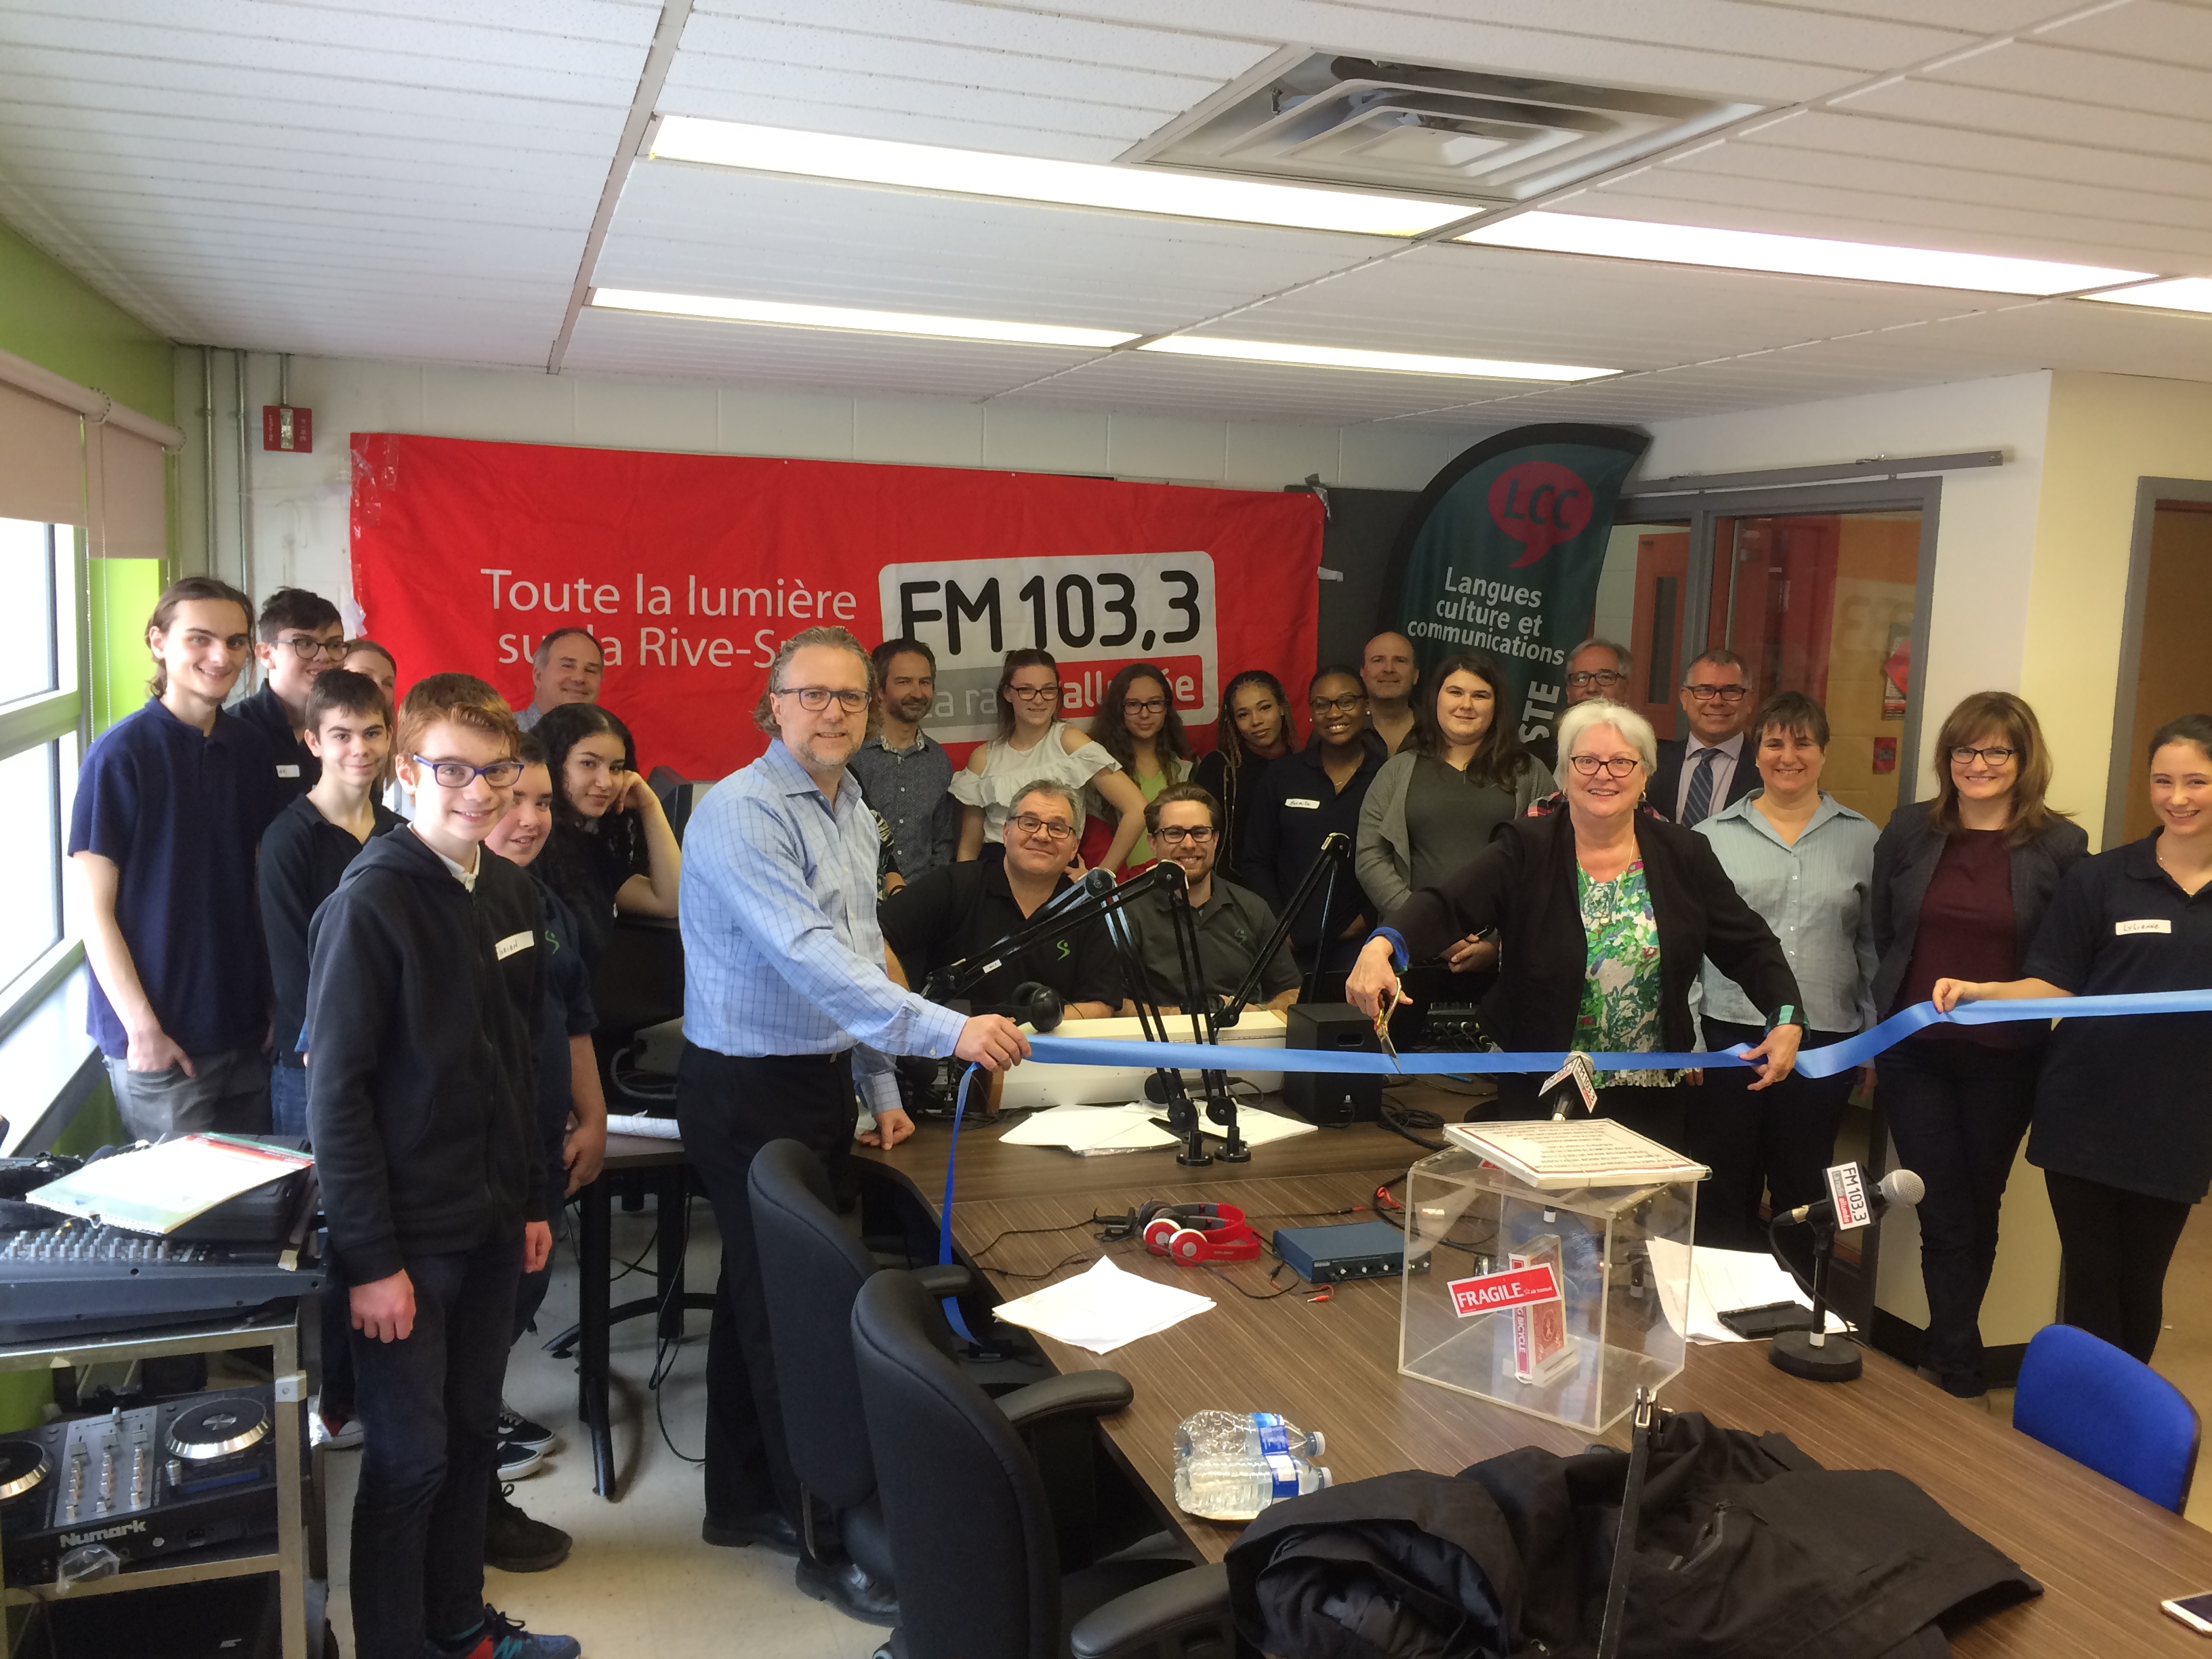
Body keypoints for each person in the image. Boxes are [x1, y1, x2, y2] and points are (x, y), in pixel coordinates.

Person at [676, 626, 1029, 1622]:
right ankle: (823, 1537)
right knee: (799, 1317)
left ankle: (743, 1502)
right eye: (811, 695)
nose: (832, 712)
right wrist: (949, 1034)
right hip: (747, 1092)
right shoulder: (741, 815)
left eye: (849, 698)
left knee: (765, 1297)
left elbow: (864, 954)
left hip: (816, 1080)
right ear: (772, 703)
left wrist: (877, 1087)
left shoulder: (851, 807)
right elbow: (807, 958)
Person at [301, 673, 575, 1659]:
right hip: (406, 1246)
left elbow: (523, 1060)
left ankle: (464, 1632)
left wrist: (536, 1198)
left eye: (495, 770)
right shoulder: (368, 906)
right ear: (407, 768)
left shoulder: (508, 888)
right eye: (452, 769)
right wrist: (369, 1261)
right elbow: (337, 1100)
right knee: (410, 1462)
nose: (478, 791)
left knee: (467, 1449)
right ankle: (397, 1648)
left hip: (497, 1222)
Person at [1345, 699, 1804, 1153]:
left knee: (1637, 1217)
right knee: (1542, 1222)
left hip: (1653, 1090)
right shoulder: (1525, 847)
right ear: (1564, 773)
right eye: (1587, 761)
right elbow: (1446, 905)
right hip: (1541, 1083)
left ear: (1644, 775)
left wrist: (1785, 1016)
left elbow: (1749, 944)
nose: (1604, 774)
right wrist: (1383, 945)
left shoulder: (1685, 853)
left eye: (1622, 762)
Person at [1931, 713, 2212, 1365]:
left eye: (2196, 782)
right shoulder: (2103, 879)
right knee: (2089, 1281)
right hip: (2085, 1111)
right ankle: (2074, 1437)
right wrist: (1982, 991)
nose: (2177, 797)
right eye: (2163, 781)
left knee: (2141, 1281)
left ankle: (2121, 1428)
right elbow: (2056, 984)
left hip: (2180, 1118)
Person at [1868, 690, 2086, 1397]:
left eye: (1997, 751)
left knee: (1979, 1202)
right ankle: (1958, 1369)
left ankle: (1949, 1352)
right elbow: (1884, 932)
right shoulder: (1909, 830)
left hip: (2007, 1058)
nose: (1979, 764)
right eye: (1966, 749)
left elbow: (2063, 961)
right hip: (1914, 1053)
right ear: (1947, 757)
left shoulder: (2060, 845)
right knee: (1941, 1204)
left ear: (2024, 761)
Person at [70, 576, 278, 1142]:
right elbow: (93, 911)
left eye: (236, 642)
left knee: (261, 1214)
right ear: (158, 641)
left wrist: (273, 1001)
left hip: (244, 1031)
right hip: (162, 1044)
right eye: (200, 639)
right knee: (183, 1225)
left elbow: (261, 887)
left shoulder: (249, 748)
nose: (221, 656)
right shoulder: (119, 755)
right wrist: (142, 1029)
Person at [479, 733, 609, 1573]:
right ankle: (476, 1505)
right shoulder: (430, 899)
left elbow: (574, 1019)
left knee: (518, 1297)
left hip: (541, 1149)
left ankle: (482, 1439)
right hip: (473, 1164)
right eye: (511, 801)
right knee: (473, 1326)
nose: (528, 820)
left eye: (540, 804)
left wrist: (592, 1117)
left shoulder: (541, 901)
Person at [1690, 691, 1878, 1260]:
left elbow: (1870, 948)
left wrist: (1871, 1043)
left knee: (1802, 1181)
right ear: (1756, 752)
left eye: (1803, 743)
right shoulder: (1711, 835)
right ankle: (1721, 1310)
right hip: (1731, 1033)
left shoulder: (1865, 839)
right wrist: (1692, 1034)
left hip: (1827, 1037)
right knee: (1724, 1178)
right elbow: (1691, 944)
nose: (1787, 755)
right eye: (1774, 742)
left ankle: (1797, 1306)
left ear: (1823, 753)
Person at [258, 670, 405, 1139]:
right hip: (316, 1060)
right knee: (316, 1204)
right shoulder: (289, 838)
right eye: (341, 735)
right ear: (313, 741)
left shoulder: (401, 833)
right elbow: (290, 965)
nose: (359, 749)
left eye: (372, 733)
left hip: (395, 1052)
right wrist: (330, 1047)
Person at [1357, 657, 1557, 983]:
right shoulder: (1397, 771)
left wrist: (1497, 944)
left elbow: (1550, 864)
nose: (1466, 704)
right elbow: (1370, 857)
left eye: (1480, 695)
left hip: (1506, 962)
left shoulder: (1529, 772)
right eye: (1455, 692)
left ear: (1497, 706)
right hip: (1411, 955)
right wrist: (1426, 926)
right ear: (1436, 697)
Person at [881, 781, 1119, 1020]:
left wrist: (1021, 1030)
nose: (1042, 836)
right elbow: (874, 935)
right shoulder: (957, 884)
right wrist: (911, 1017)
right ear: (1005, 833)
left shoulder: (1087, 908)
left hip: (1049, 1049)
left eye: (1057, 828)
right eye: (1029, 823)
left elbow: (1100, 1006)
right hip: (955, 1046)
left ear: (1074, 847)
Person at [952, 649, 1147, 870]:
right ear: (1008, 693)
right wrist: (966, 894)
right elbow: (968, 848)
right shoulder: (983, 758)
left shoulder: (1069, 741)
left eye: (1048, 690)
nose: (1038, 699)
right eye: (1026, 690)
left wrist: (1100, 876)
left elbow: (1137, 808)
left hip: (1055, 868)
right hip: (995, 871)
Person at [1245, 667, 1380, 975]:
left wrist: (1365, 921)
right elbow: (1255, 860)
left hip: (1362, 945)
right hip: (1287, 945)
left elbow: (1400, 862)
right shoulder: (1282, 775)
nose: (1335, 713)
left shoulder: (1388, 777)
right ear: (1310, 713)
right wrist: (1280, 927)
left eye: (1346, 701)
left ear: (1366, 705)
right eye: (1322, 704)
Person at [1121, 785, 1300, 1014]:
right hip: (1160, 1045)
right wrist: (1184, 1016)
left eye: (1200, 832)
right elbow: (1113, 1004)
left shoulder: (1253, 908)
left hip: (1243, 1040)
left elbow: (1292, 993)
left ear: (1215, 839)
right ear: (1153, 842)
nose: (1188, 844)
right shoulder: (1124, 912)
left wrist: (1258, 1012)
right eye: (1174, 833)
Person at [531, 703, 681, 969]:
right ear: (552, 764)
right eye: (588, 763)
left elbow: (669, 902)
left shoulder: (585, 849)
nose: (606, 782)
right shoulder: (526, 846)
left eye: (616, 768)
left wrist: (650, 805)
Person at [848, 637, 958, 882]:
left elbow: (943, 844)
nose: (917, 693)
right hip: (857, 903)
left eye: (925, 682)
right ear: (878, 689)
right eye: (904, 682)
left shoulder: (938, 761)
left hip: (919, 907)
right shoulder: (850, 754)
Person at [235, 586, 348, 805]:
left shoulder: (347, 731)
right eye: (304, 643)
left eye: (334, 645)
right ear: (266, 654)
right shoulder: (237, 734)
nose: (324, 656)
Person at [1080, 661, 1193, 873]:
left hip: (1176, 887)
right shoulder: (1103, 774)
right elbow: (1095, 848)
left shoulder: (1185, 770)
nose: (1144, 714)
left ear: (1166, 707)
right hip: (1123, 893)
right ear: (1118, 709)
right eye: (1133, 704)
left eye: (1154, 703)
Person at [1190, 670, 1291, 884]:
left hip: (1294, 896)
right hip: (1232, 897)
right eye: (1243, 714)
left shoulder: (1304, 766)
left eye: (1265, 708)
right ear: (1233, 721)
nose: (1256, 721)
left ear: (1281, 707)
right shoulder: (1220, 769)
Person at [1650, 649, 1759, 826]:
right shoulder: (1651, 762)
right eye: (1705, 690)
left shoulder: (1767, 770)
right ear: (1684, 698)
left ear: (1750, 701)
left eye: (1731, 691)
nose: (1717, 702)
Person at [1528, 638, 1635, 769]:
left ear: (1626, 690)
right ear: (1568, 692)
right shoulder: (1532, 759)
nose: (1592, 688)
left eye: (1605, 677)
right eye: (1581, 678)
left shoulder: (1652, 757)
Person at [514, 627, 605, 732]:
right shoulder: (503, 736)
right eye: (567, 666)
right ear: (538, 676)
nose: (579, 678)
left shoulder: (612, 742)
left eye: (590, 670)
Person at [1359, 631, 1421, 757]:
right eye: (1378, 660)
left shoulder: (1435, 731)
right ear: (1363, 673)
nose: (1389, 669)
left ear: (1416, 675)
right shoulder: (1344, 729)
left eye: (1400, 661)